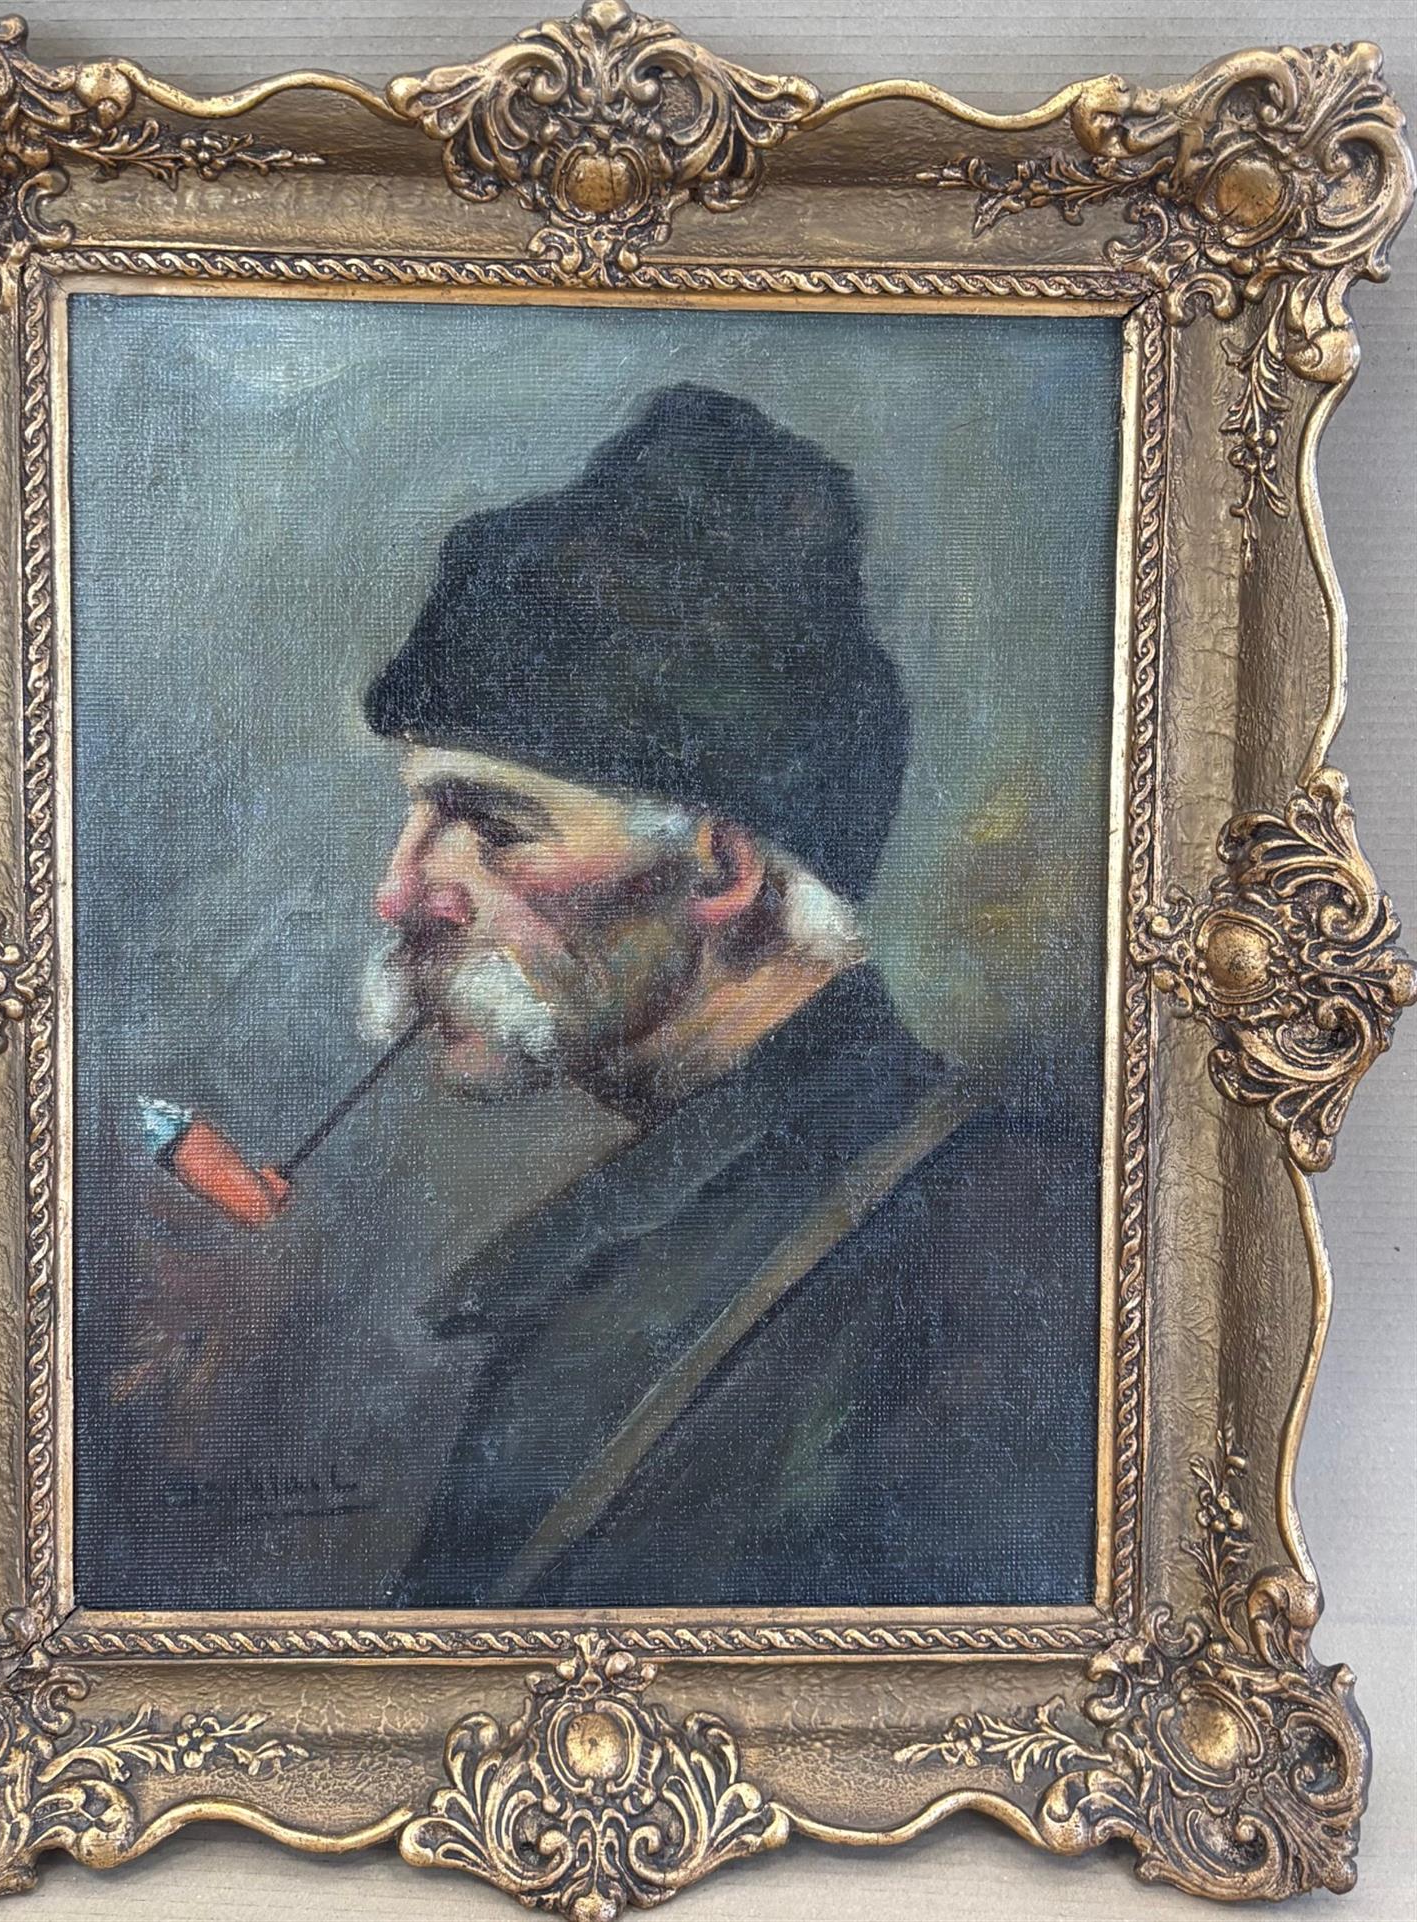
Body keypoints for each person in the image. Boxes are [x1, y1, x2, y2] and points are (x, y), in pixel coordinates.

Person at [357, 382, 1102, 1610]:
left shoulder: (1002, 1244)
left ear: (718, 869)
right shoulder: (652, 1231)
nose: (403, 893)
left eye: (495, 825)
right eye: (416, 817)